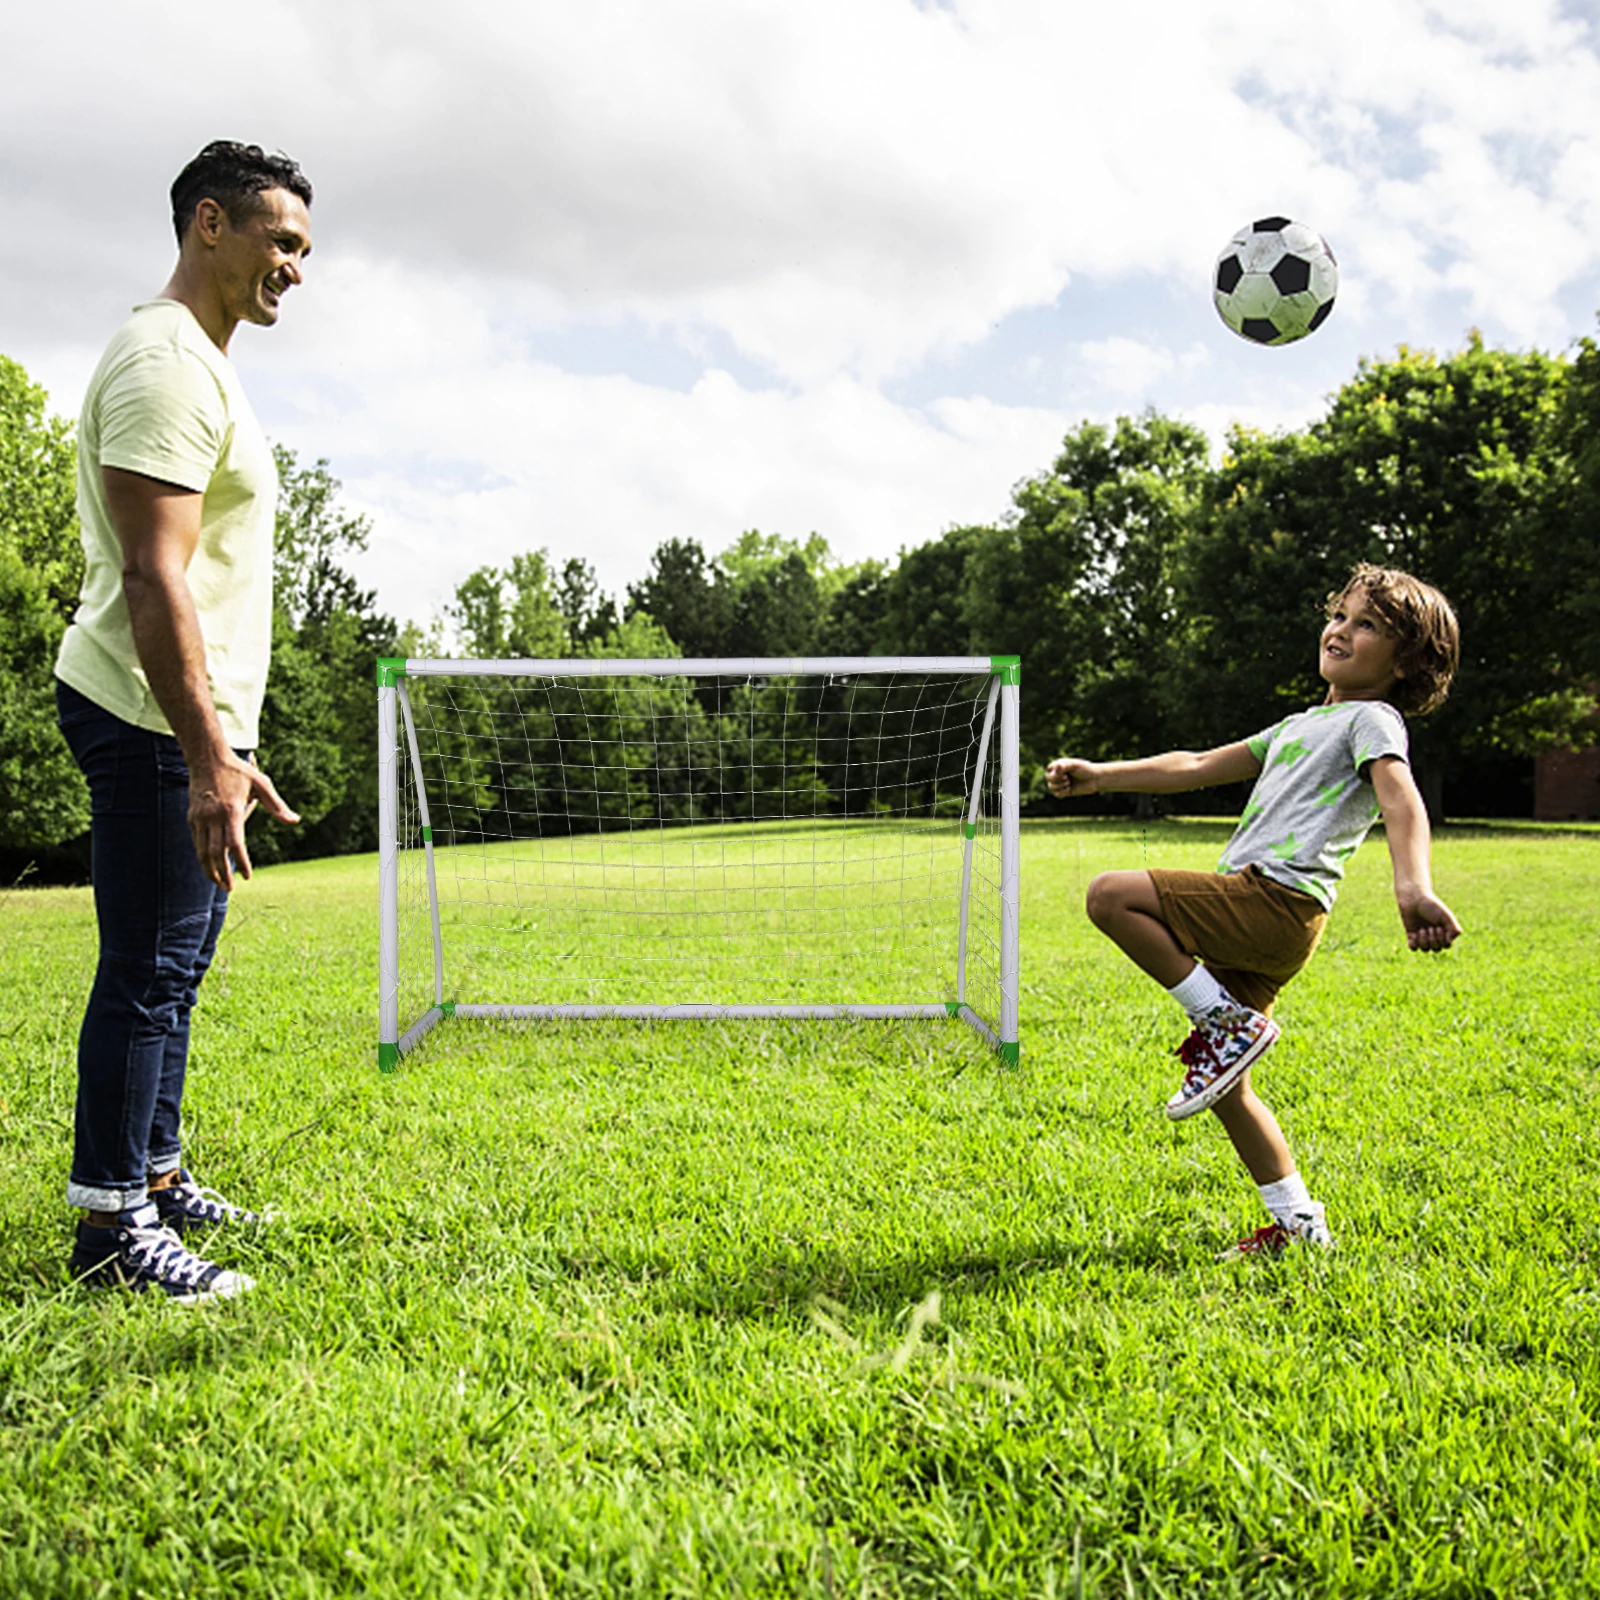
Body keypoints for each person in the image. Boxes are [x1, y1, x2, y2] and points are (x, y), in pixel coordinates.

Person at [53, 141, 313, 1301]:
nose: (295, 268)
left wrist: (230, 739)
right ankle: (113, 1230)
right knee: (148, 965)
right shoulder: (165, 361)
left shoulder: (206, 361)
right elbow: (157, 577)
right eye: (280, 241)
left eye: (304, 249)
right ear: (209, 223)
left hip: (197, 719)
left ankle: (153, 1177)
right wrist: (209, 753)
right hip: (149, 712)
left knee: (179, 959)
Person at [1047, 563, 1461, 1258]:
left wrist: (1412, 885)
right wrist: (1102, 776)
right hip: (1269, 919)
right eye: (1342, 615)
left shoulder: (1372, 719)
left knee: (1111, 895)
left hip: (1275, 900)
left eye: (1369, 627)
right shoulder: (1304, 724)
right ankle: (1300, 1225)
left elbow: (1401, 798)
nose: (1343, 631)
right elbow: (1197, 764)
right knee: (1229, 1085)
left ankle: (1222, 1020)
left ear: (1405, 664)